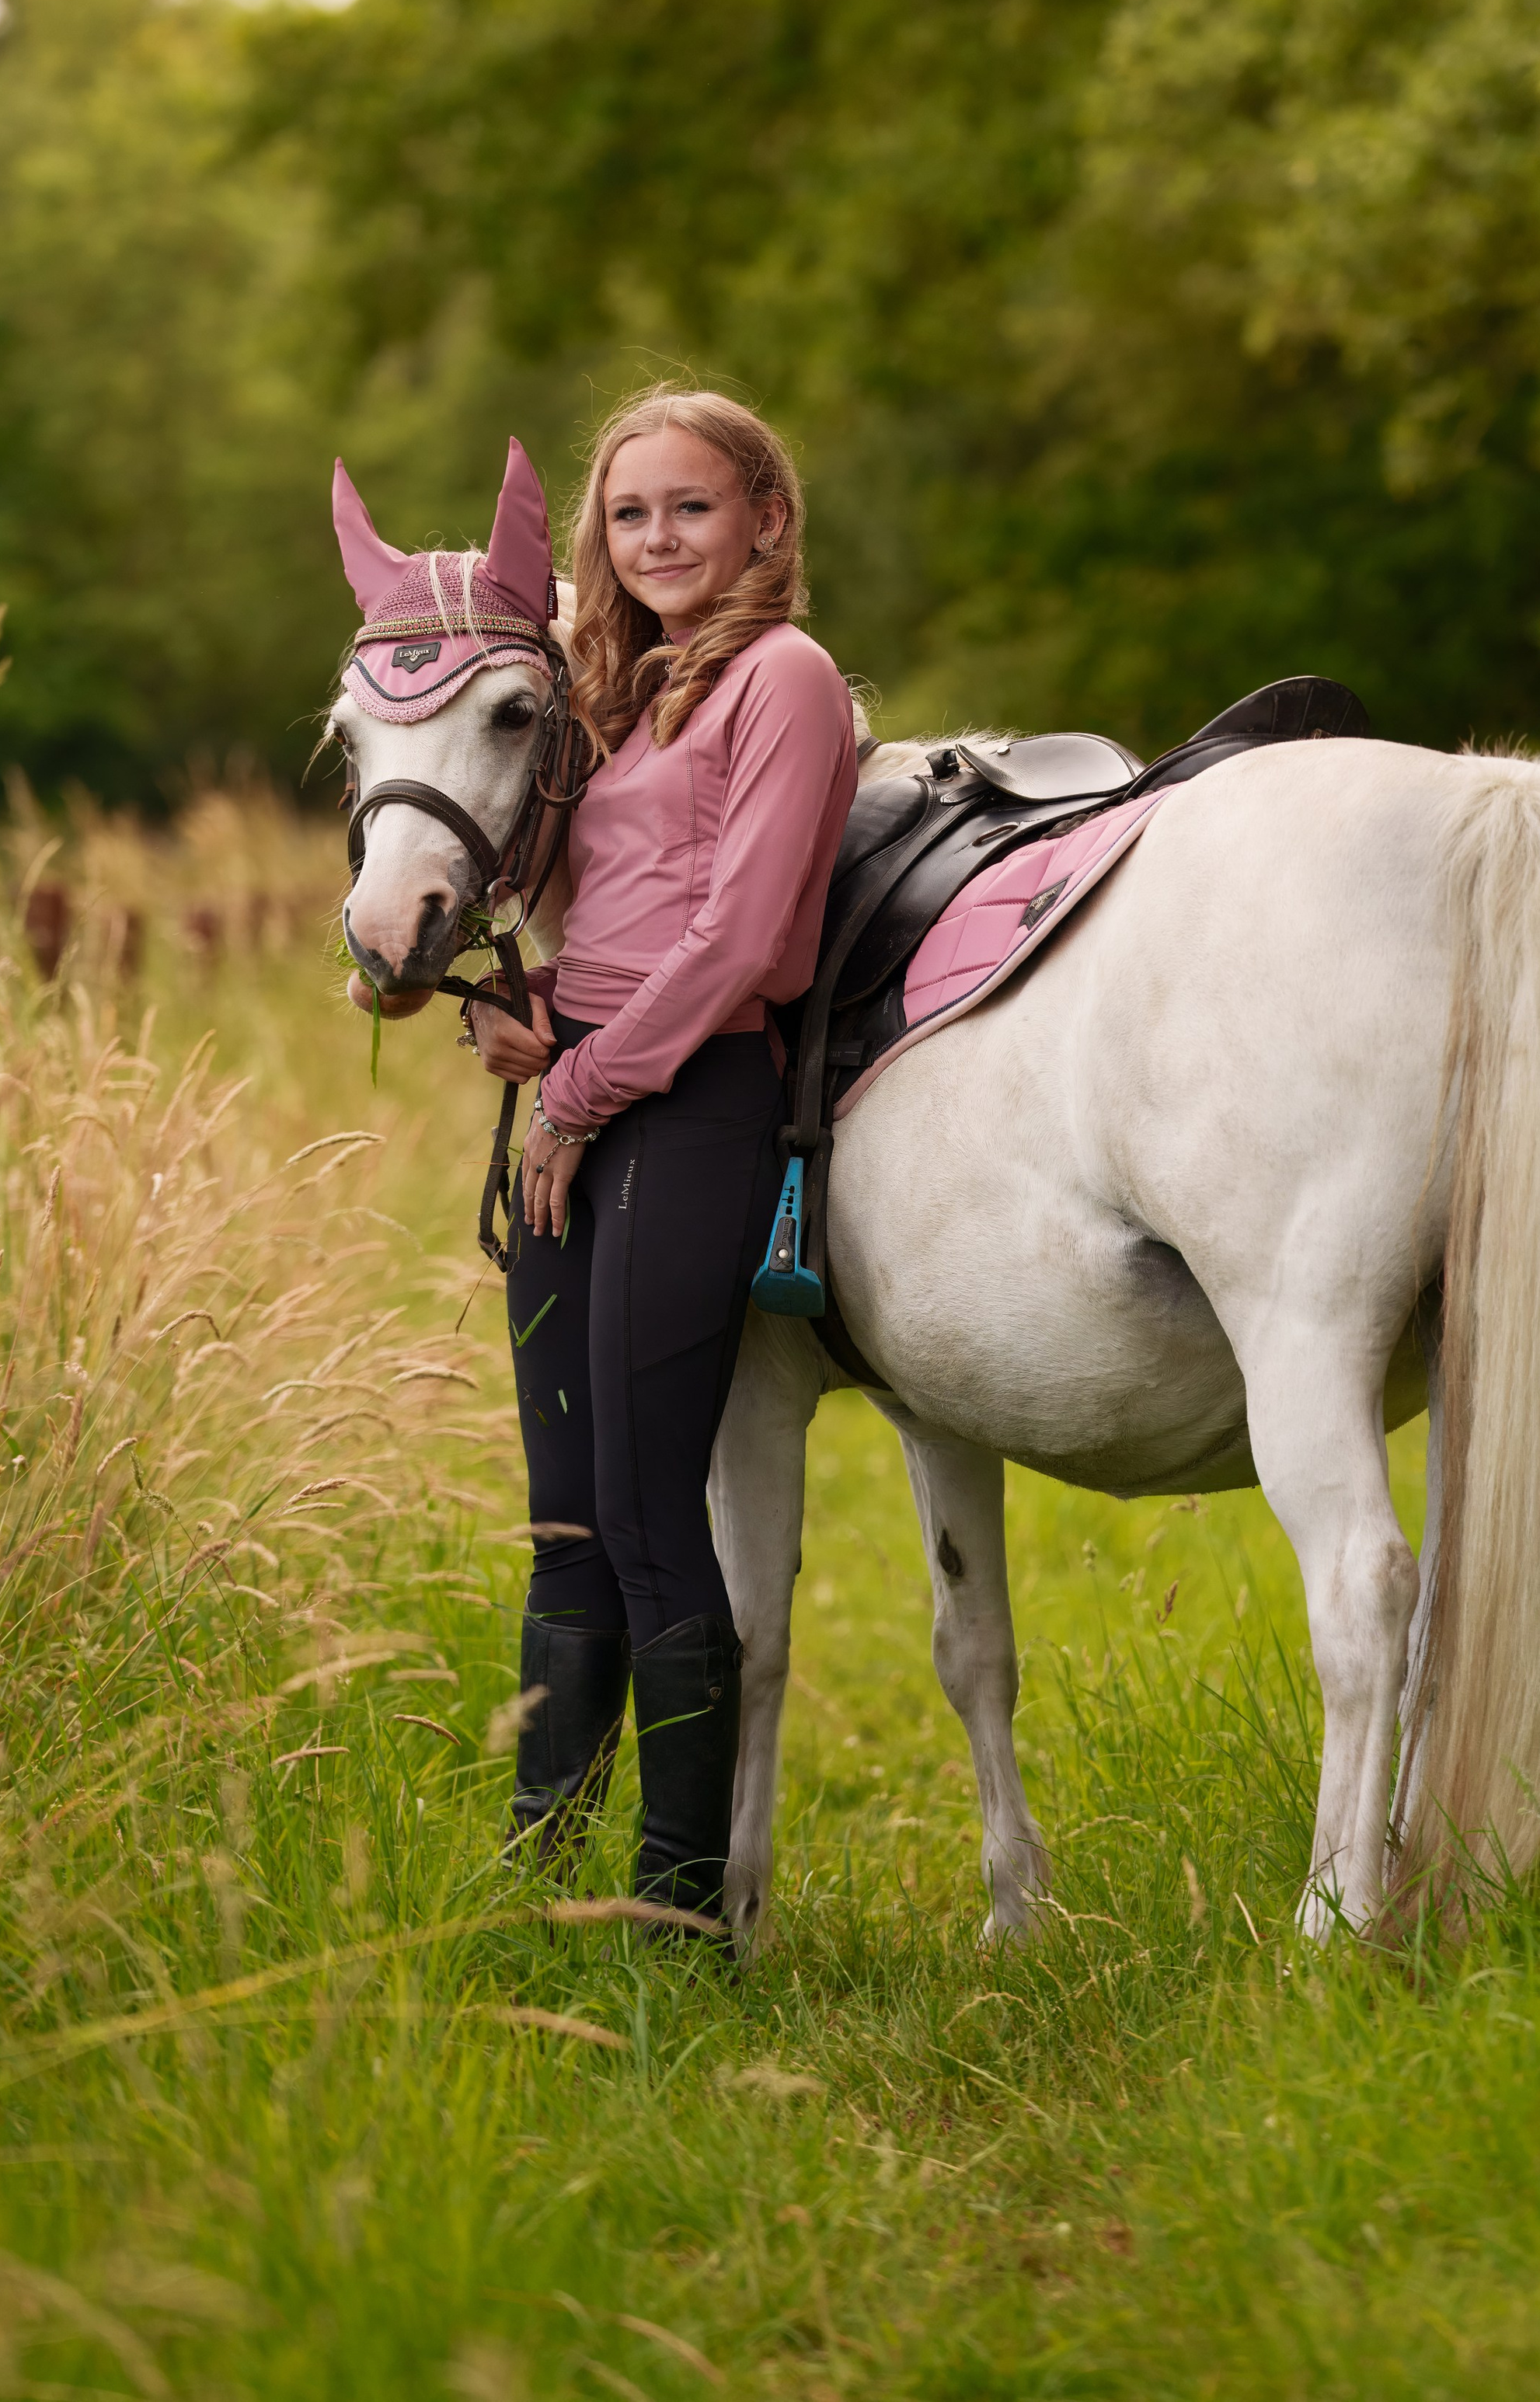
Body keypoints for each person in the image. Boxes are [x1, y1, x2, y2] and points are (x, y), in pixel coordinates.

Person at [469, 389, 857, 1926]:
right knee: (563, 1524)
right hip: (584, 1085)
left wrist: (580, 1091)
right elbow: (604, 914)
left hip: (689, 1105)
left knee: (644, 1516)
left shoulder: (784, 678)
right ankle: (537, 1889)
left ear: (766, 517)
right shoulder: (621, 692)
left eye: (691, 507)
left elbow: (745, 937)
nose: (658, 539)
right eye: (630, 515)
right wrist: (524, 1008)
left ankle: (679, 1913)